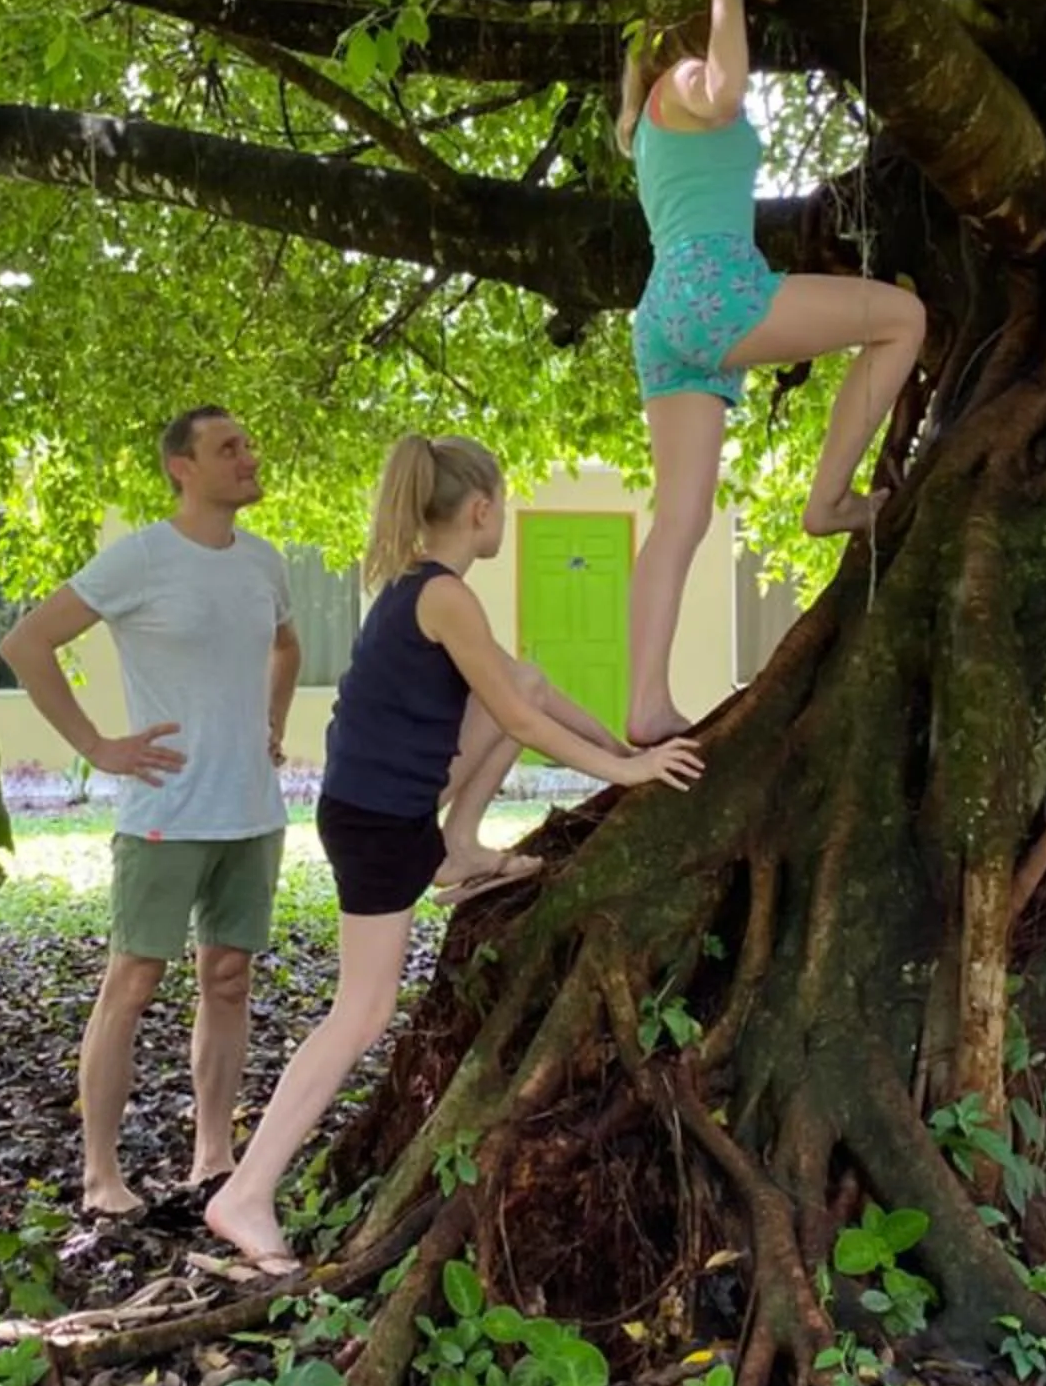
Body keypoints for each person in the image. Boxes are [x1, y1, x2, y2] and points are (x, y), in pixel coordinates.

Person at [205, 434, 702, 1277]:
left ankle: (460, 847)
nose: (503, 517)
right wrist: (626, 769)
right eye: (503, 504)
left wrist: (627, 750)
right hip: (376, 825)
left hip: (393, 809)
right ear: (480, 510)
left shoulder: (420, 589)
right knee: (359, 1014)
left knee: (532, 680)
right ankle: (245, 1193)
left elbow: (530, 695)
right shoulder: (445, 600)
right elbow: (518, 718)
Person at [622, 0, 926, 746]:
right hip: (713, 291)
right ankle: (828, 501)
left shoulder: (646, 130)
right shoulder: (682, 86)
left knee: (679, 519)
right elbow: (724, 90)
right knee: (902, 320)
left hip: (665, 317)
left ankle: (646, 701)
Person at [1, 406, 302, 1218]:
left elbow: (287, 647)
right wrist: (97, 745)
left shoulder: (265, 563)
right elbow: (27, 644)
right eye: (228, 448)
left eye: (248, 442)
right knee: (132, 982)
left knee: (229, 978)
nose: (248, 456)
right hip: (165, 811)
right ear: (182, 468)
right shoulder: (141, 558)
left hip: (250, 809)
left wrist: (270, 725)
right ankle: (101, 1174)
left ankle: (214, 1153)